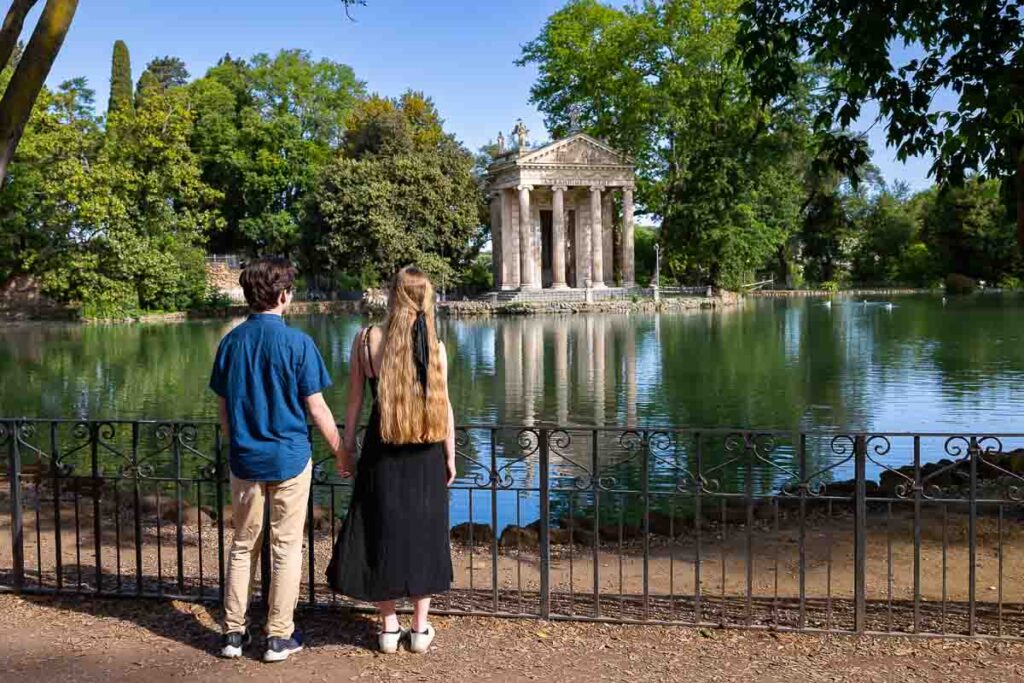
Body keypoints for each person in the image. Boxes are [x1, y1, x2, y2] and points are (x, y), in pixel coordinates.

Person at [209, 257, 342, 663]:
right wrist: (341, 450)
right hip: (288, 458)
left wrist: (236, 446)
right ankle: (278, 636)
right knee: (285, 547)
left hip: (246, 459)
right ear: (283, 296)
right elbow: (316, 408)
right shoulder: (297, 343)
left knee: (242, 545)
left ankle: (233, 633)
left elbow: (224, 407)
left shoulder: (231, 342)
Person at [327, 266, 455, 654]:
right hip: (426, 448)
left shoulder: (367, 341)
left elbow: (353, 402)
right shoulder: (434, 343)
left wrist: (346, 448)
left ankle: (387, 627)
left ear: (393, 296)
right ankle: (419, 629)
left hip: (381, 450)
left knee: (378, 529)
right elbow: (445, 405)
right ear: (426, 298)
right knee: (425, 534)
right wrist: (450, 452)